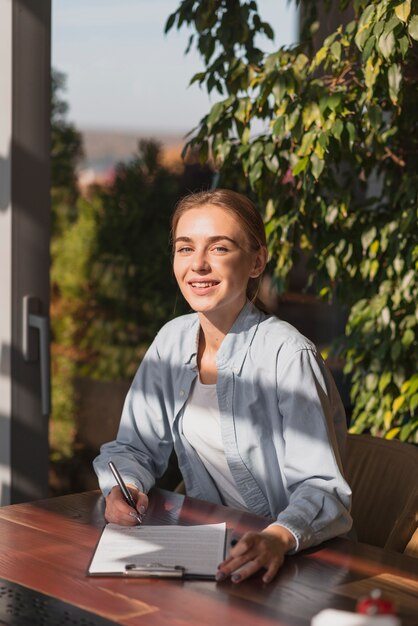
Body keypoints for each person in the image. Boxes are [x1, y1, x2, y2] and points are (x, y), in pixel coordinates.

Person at [93, 188, 352, 584]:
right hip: (213, 554)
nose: (197, 265)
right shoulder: (170, 341)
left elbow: (322, 491)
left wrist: (276, 539)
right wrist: (122, 487)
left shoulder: (289, 356)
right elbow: (133, 447)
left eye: (219, 248)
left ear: (256, 261)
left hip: (295, 560)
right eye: (184, 248)